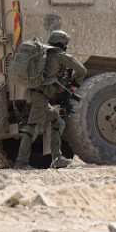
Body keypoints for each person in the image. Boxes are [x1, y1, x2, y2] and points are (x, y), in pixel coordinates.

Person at [14, 30, 87, 170]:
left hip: (34, 94)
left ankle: (57, 158)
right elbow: (82, 70)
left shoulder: (44, 53)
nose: (67, 46)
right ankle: (21, 162)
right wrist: (75, 84)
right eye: (66, 43)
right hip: (39, 97)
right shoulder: (60, 56)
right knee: (32, 129)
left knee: (58, 123)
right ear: (62, 44)